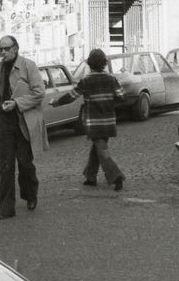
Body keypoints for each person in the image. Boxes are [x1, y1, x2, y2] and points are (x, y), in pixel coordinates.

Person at [0, 36, 48, 220]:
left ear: (15, 48)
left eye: (6, 49)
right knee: (6, 165)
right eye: (0, 49)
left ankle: (30, 195)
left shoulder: (28, 66)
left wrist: (17, 103)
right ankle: (6, 208)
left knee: (25, 163)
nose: (2, 52)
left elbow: (39, 92)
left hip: (24, 122)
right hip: (5, 123)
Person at [52, 48, 125, 191]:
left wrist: (56, 102)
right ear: (104, 63)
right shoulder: (112, 79)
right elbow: (122, 96)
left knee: (102, 150)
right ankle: (90, 177)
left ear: (89, 64)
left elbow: (71, 96)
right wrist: (109, 102)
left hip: (93, 122)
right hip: (109, 121)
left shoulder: (86, 81)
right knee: (98, 148)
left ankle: (116, 177)